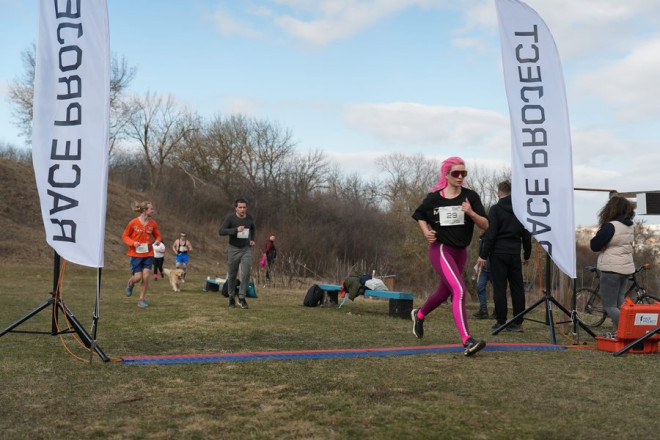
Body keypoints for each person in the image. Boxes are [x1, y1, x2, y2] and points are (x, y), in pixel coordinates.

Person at [411, 156, 489, 356]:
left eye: (464, 173)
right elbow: (419, 215)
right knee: (459, 290)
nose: (460, 177)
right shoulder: (434, 198)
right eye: (456, 173)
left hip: (460, 252)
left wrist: (471, 213)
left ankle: (419, 314)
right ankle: (467, 340)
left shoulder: (470, 197)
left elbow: (485, 225)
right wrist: (426, 232)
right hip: (441, 249)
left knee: (444, 293)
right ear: (446, 174)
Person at [477, 181, 532, 332]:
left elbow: (491, 233)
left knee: (500, 288)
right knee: (517, 288)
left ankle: (501, 321)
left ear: (499, 193)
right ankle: (518, 322)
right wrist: (527, 254)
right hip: (514, 253)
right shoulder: (520, 210)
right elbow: (526, 234)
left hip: (498, 253)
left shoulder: (495, 209)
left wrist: (483, 254)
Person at [589, 196, 635, 336]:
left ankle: (630, 329)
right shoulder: (630, 225)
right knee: (620, 303)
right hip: (625, 268)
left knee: (609, 306)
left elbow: (595, 245)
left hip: (611, 269)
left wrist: (600, 237)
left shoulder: (611, 226)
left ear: (610, 209)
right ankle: (620, 333)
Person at [122, 201, 163, 308]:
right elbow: (125, 236)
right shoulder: (133, 222)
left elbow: (158, 236)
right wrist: (133, 243)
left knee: (146, 276)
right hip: (136, 254)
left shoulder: (153, 223)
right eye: (151, 209)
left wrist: (158, 240)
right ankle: (131, 283)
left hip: (148, 254)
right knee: (138, 277)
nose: (153, 211)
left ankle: (141, 300)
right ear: (145, 210)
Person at [219, 198, 256, 309]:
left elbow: (252, 229)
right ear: (236, 208)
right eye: (240, 207)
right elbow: (221, 231)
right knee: (232, 274)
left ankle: (241, 297)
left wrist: (252, 239)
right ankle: (231, 297)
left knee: (246, 272)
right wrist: (235, 230)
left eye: (244, 207)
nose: (242, 209)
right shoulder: (230, 218)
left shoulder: (249, 218)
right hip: (233, 249)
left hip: (246, 248)